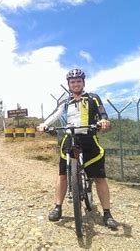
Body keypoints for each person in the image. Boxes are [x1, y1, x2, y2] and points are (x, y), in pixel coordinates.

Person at [37, 68, 119, 230]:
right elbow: (54, 114)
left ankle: (107, 213)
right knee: (62, 174)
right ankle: (57, 207)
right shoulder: (65, 101)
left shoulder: (93, 98)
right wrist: (44, 125)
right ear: (69, 84)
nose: (76, 84)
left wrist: (104, 121)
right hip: (70, 138)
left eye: (78, 81)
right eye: (72, 82)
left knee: (99, 177)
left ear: (83, 83)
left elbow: (102, 112)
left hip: (89, 138)